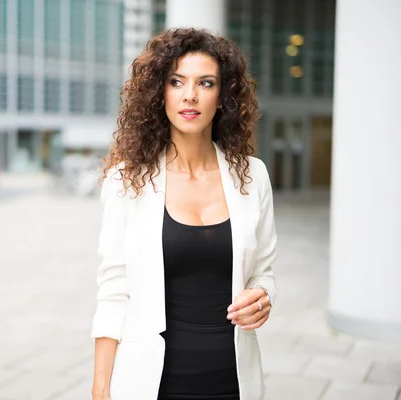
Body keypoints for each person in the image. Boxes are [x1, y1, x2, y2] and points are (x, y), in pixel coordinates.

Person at [91, 28, 277, 400]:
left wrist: (262, 296)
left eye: (205, 83)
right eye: (177, 81)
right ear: (160, 92)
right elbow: (114, 288)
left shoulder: (252, 176)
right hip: (152, 382)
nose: (190, 95)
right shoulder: (126, 180)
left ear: (223, 97)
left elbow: (263, 273)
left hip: (233, 379)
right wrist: (100, 386)